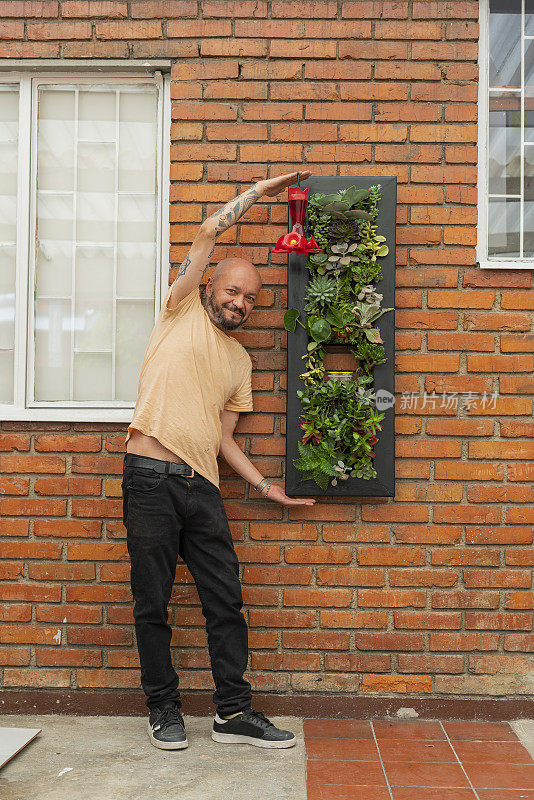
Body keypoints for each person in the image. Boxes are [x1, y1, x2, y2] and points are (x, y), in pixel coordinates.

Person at [121, 171, 316, 752]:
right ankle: (164, 710)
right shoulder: (176, 312)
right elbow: (208, 230)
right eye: (232, 291)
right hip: (150, 478)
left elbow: (223, 439)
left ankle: (233, 713)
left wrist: (265, 487)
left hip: (202, 486)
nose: (240, 302)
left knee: (224, 602)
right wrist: (261, 191)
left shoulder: (238, 363)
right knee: (152, 604)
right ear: (210, 288)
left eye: (250, 298)